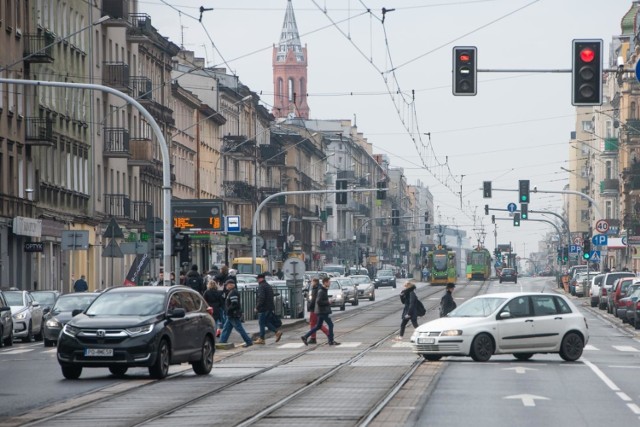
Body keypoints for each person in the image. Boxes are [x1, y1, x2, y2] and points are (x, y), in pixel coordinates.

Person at [301, 277, 340, 346]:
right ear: (325, 282)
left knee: (318, 326)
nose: (330, 283)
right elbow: (318, 301)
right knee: (331, 325)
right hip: (323, 311)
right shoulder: (321, 290)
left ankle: (305, 337)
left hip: (321, 311)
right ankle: (331, 341)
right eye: (329, 282)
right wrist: (328, 302)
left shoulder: (323, 290)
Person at [219, 280, 253, 348]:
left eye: (227, 285)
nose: (226, 286)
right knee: (226, 328)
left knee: (239, 329)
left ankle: (248, 341)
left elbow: (234, 304)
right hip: (231, 314)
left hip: (233, 314)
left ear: (231, 285)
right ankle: (222, 341)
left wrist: (228, 310)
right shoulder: (231, 292)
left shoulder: (233, 293)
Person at [254, 273, 282, 344]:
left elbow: (261, 298)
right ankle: (276, 332)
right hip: (269, 307)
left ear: (260, 279)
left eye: (257, 279)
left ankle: (262, 338)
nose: (257, 280)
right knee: (266, 322)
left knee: (261, 323)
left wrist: (257, 307)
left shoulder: (261, 286)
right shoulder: (268, 286)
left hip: (263, 308)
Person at [307, 277, 329, 344]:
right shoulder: (319, 288)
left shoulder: (315, 289)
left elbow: (314, 300)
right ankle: (313, 338)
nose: (311, 283)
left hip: (314, 309)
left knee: (316, 324)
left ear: (315, 282)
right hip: (318, 309)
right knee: (314, 323)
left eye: (312, 282)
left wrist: (309, 306)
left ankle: (329, 335)